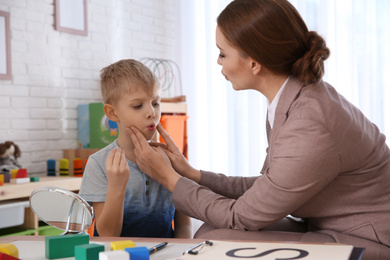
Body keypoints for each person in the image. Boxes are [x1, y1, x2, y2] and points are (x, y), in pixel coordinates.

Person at [128, 0, 390, 259]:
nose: (218, 62)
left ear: (253, 63)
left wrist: (170, 179)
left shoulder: (309, 123)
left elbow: (241, 216)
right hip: (326, 225)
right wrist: (192, 174)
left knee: (216, 239)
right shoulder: (292, 99)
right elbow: (269, 189)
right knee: (211, 232)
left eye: (222, 53)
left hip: (364, 238)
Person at [79, 59, 192, 238]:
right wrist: (117, 186)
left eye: (155, 103)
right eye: (138, 105)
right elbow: (107, 235)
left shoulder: (172, 161)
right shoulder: (99, 164)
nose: (151, 113)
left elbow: (184, 225)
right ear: (112, 113)